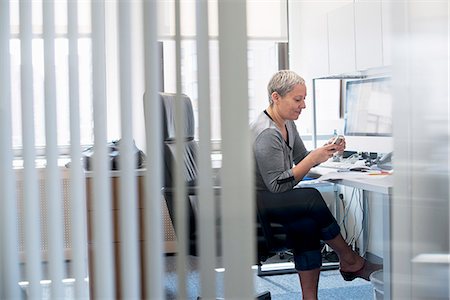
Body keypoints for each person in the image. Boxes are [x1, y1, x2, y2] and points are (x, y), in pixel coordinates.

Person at [250, 70, 381, 300]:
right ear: (276, 97)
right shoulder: (266, 133)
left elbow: (301, 158)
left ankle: (310, 297)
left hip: (273, 199)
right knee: (310, 197)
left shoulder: (287, 124)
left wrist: (326, 151)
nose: (303, 105)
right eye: (298, 99)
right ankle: (349, 259)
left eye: (304, 99)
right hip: (257, 202)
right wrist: (313, 159)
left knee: (307, 224)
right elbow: (277, 186)